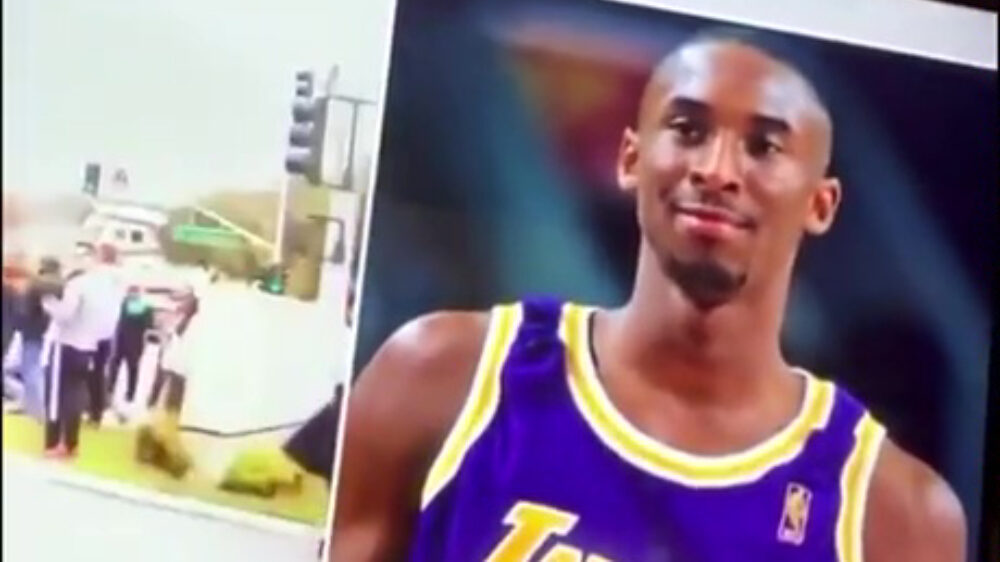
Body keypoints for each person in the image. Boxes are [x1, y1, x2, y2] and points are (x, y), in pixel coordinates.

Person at [329, 31, 966, 561]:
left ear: (821, 204)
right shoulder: (442, 374)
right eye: (688, 130)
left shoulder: (895, 516)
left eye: (763, 146)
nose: (716, 170)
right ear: (631, 159)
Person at [41, 246, 120, 458]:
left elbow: (64, 314)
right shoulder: (108, 288)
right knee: (75, 394)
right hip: (88, 347)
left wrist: (48, 303)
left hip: (65, 344)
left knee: (56, 396)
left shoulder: (78, 284)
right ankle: (71, 443)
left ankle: (53, 443)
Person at [5, 258, 63, 420]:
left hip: (33, 333)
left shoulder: (35, 285)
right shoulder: (64, 285)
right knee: (45, 373)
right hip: (56, 335)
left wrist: (18, 326)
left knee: (31, 371)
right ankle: (44, 408)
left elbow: (24, 311)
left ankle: (36, 411)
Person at [108, 285, 153, 413]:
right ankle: (128, 393)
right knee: (130, 368)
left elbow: (118, 320)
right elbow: (148, 325)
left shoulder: (125, 305)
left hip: (124, 340)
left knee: (119, 366)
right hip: (133, 342)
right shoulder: (145, 308)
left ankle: (113, 389)